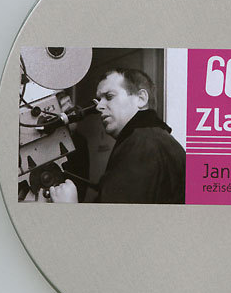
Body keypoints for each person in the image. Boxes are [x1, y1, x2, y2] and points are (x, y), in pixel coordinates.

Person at [50, 68, 186, 203]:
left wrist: (69, 206)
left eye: (109, 97)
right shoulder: (153, 138)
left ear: (141, 99)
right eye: (99, 99)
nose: (98, 106)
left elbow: (118, 216)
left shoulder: (143, 144)